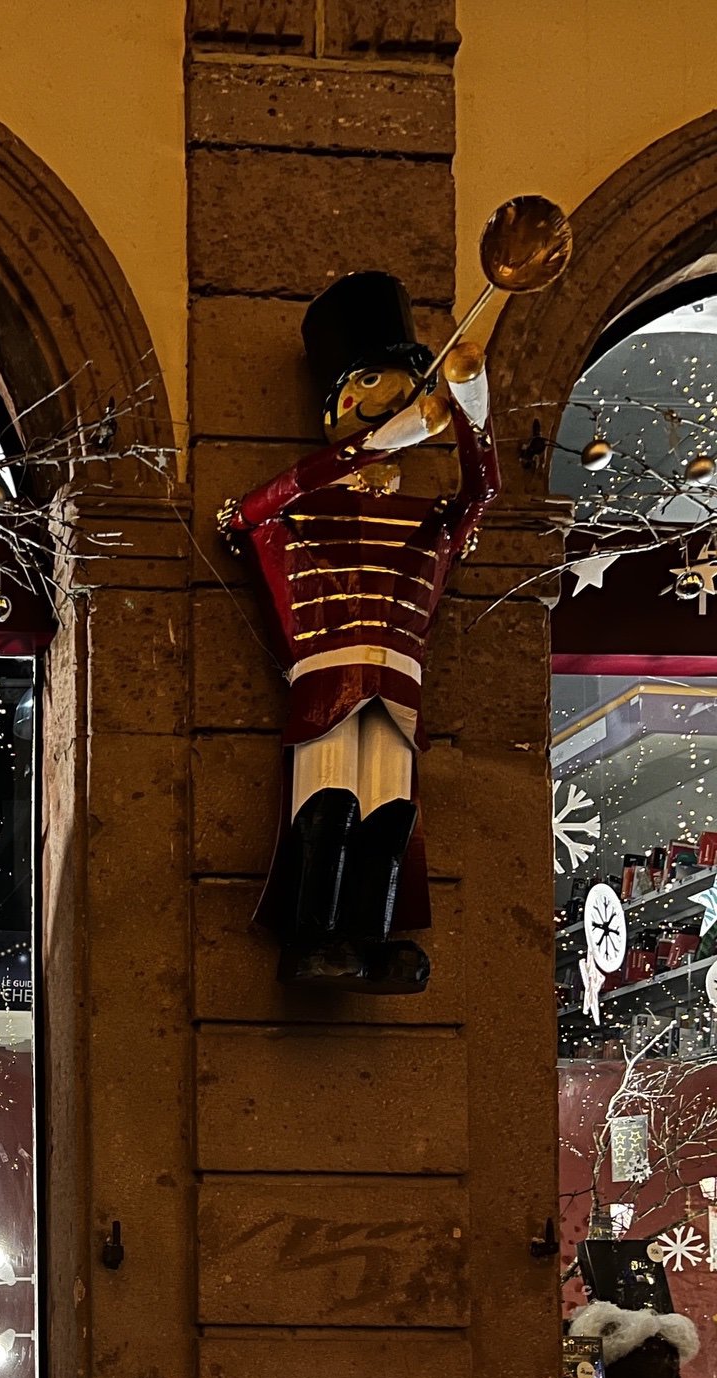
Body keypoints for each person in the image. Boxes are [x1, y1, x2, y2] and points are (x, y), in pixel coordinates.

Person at [220, 270, 497, 994]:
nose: (390, 394)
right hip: (327, 671)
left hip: (399, 676)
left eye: (401, 383)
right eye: (370, 381)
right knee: (330, 802)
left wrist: (472, 404)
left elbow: (484, 491)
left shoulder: (428, 518)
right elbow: (244, 514)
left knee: (391, 811)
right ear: (336, 403)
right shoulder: (297, 509)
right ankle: (314, 938)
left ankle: (366, 940)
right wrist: (381, 442)